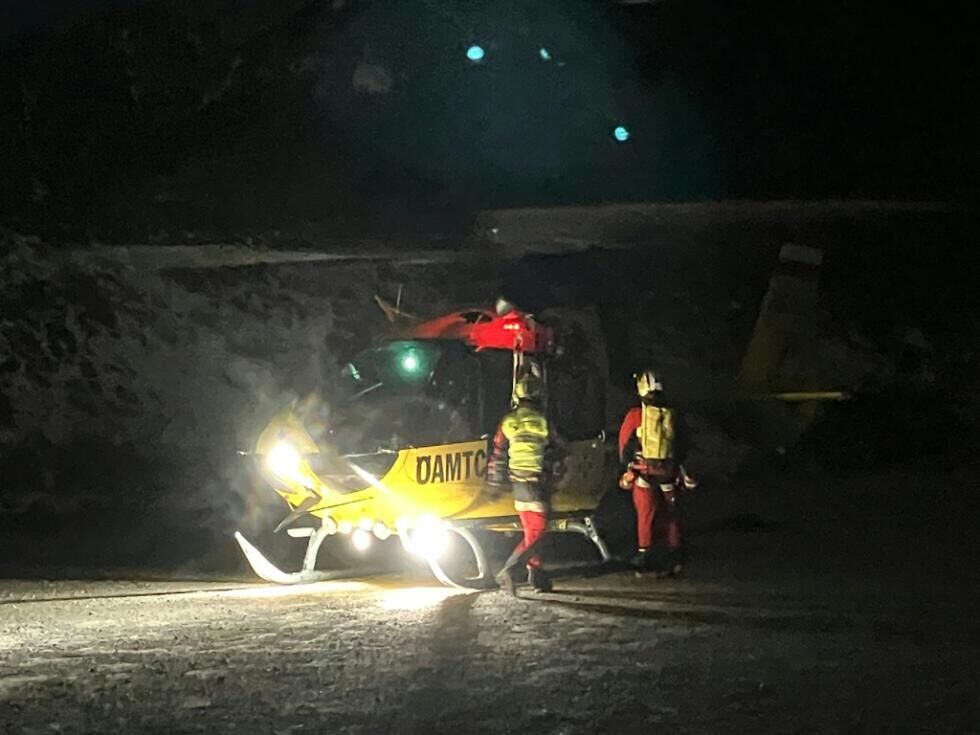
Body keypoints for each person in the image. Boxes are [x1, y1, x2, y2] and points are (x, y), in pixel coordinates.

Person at [487, 373, 562, 594]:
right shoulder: (543, 420)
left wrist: (494, 484)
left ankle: (537, 577)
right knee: (539, 535)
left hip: (517, 484)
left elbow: (498, 454)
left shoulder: (508, 421)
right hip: (537, 482)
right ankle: (512, 567)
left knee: (531, 532)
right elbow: (560, 445)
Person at [618, 369, 697, 575]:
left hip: (643, 473)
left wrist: (627, 469)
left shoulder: (636, 415)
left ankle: (645, 557)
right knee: (671, 516)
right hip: (668, 472)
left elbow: (624, 445)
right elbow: (684, 444)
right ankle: (675, 558)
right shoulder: (673, 414)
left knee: (646, 515)